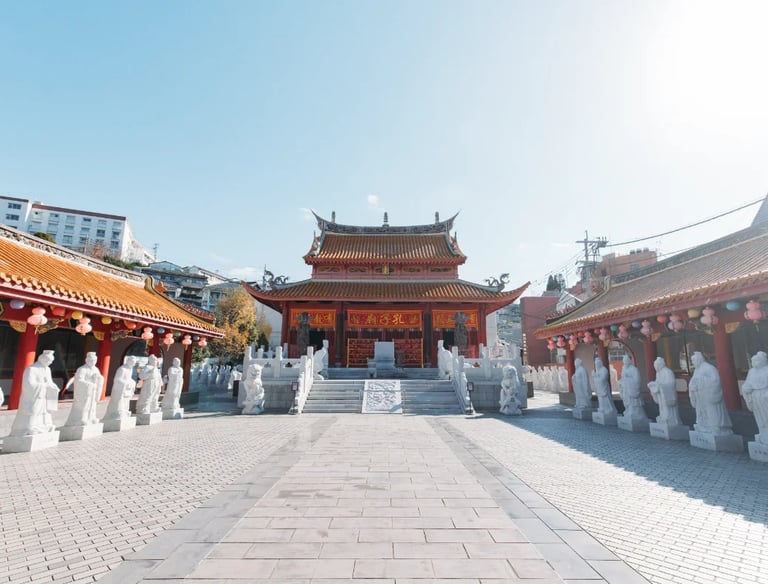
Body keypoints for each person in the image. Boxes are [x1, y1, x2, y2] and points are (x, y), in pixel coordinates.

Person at [10, 350, 58, 436]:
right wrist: (44, 385)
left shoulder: (47, 369)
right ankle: (29, 427)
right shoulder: (31, 369)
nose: (50, 363)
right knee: (33, 411)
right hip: (35, 395)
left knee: (45, 412)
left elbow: (50, 381)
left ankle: (44, 425)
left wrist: (53, 386)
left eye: (51, 361)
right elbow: (29, 384)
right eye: (48, 361)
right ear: (42, 359)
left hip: (44, 396)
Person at [688, 351, 733, 435]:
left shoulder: (709, 368)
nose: (693, 363)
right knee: (702, 412)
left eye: (694, 361)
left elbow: (715, 381)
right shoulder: (696, 370)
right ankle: (704, 426)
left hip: (708, 395)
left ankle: (716, 427)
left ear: (699, 360)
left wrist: (700, 381)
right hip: (700, 396)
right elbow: (693, 381)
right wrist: (692, 386)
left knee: (712, 412)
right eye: (692, 361)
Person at [64, 352, 104, 427]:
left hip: (93, 390)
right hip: (85, 392)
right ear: (87, 360)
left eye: (95, 360)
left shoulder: (96, 369)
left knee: (92, 405)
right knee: (85, 405)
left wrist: (99, 377)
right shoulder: (82, 369)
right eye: (91, 360)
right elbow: (79, 380)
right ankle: (82, 418)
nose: (93, 362)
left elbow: (100, 377)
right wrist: (89, 384)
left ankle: (91, 417)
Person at [740, 351, 768, 444]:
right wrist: (745, 388)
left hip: (765, 396)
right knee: (760, 417)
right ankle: (763, 433)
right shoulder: (752, 371)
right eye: (753, 362)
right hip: (755, 397)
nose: (755, 363)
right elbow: (748, 383)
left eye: (757, 361)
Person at [647, 357, 683, 426]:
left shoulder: (667, 371)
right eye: (655, 366)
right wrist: (653, 384)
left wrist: (661, 385)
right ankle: (663, 416)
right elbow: (657, 382)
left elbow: (671, 383)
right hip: (661, 394)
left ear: (661, 364)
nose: (655, 367)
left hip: (666, 393)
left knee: (667, 408)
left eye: (656, 365)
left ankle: (670, 418)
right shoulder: (658, 373)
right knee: (662, 407)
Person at [104, 356, 137, 421]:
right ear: (128, 361)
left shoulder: (130, 369)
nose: (133, 364)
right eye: (132, 362)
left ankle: (125, 411)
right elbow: (117, 379)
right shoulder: (122, 369)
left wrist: (132, 382)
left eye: (134, 362)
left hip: (126, 389)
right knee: (119, 403)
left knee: (126, 402)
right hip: (121, 389)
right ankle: (118, 413)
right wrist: (126, 383)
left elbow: (129, 379)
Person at [618, 354, 645, 420]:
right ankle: (628, 411)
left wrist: (628, 380)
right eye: (624, 361)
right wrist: (620, 382)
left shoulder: (634, 369)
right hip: (626, 388)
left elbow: (637, 380)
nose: (625, 362)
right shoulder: (623, 369)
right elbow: (623, 378)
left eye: (626, 360)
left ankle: (634, 412)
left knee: (633, 402)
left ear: (629, 361)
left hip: (631, 389)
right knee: (626, 401)